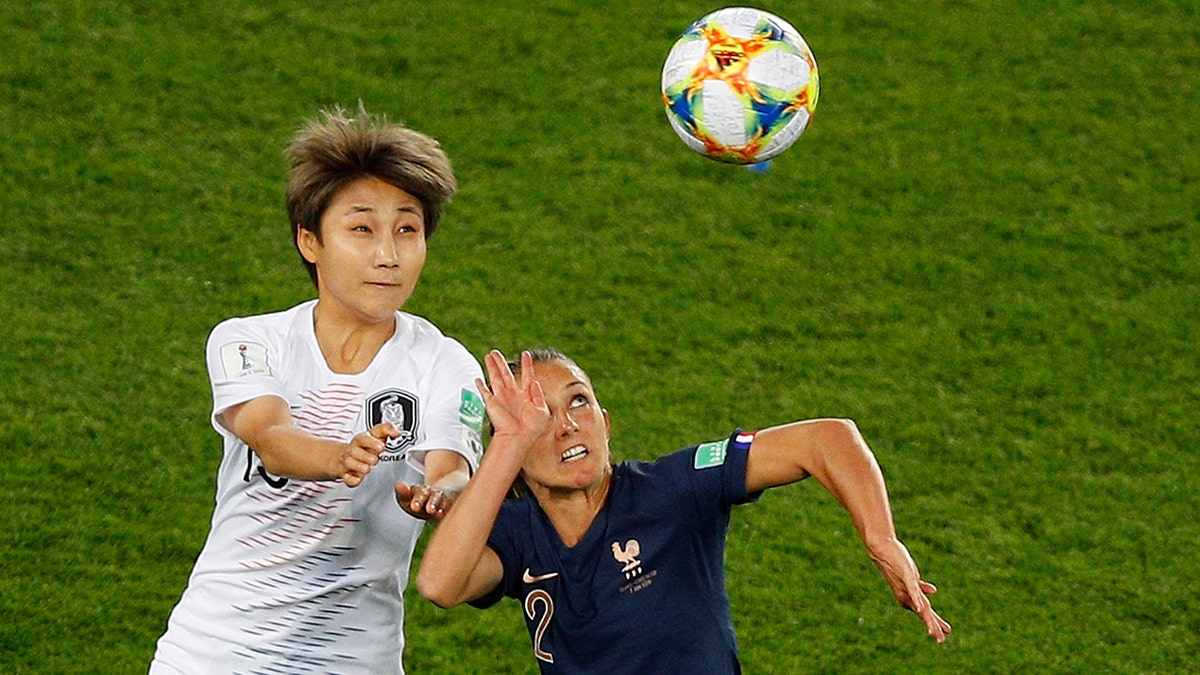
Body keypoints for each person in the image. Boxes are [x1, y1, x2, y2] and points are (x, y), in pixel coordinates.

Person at [150, 104, 485, 674]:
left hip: (355, 661)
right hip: (213, 654)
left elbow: (452, 467)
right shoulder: (249, 341)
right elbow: (271, 436)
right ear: (310, 241)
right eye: (362, 228)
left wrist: (446, 494)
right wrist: (342, 457)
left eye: (408, 229)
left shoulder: (445, 362)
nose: (388, 255)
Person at [417, 349, 951, 674]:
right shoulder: (516, 533)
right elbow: (440, 586)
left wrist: (881, 536)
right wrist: (507, 444)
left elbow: (827, 439)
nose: (565, 425)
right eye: (538, 415)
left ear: (606, 421)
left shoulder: (672, 490)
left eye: (578, 402)